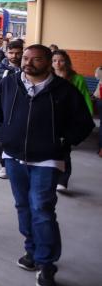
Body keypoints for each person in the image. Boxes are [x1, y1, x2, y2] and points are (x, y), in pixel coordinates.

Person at [0, 45, 95, 286]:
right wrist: (2, 132)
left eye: (36, 60)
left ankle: (47, 264)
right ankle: (32, 251)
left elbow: (84, 123)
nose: (28, 63)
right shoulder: (10, 83)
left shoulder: (64, 91)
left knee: (42, 209)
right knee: (23, 206)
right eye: (25, 58)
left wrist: (62, 141)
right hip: (14, 157)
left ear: (48, 62)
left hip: (47, 160)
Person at [51, 50, 93, 192]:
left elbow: (85, 98)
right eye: (54, 60)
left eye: (61, 60)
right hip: (51, 119)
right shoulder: (48, 77)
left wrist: (86, 117)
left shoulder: (77, 79)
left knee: (64, 151)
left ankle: (63, 180)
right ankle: (51, 176)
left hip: (69, 120)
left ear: (67, 62)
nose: (57, 63)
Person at [0, 39, 24, 179]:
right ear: (6, 53)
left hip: (23, 106)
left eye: (18, 53)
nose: (14, 56)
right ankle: (4, 165)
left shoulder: (26, 68)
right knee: (4, 136)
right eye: (11, 53)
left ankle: (21, 161)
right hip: (5, 107)